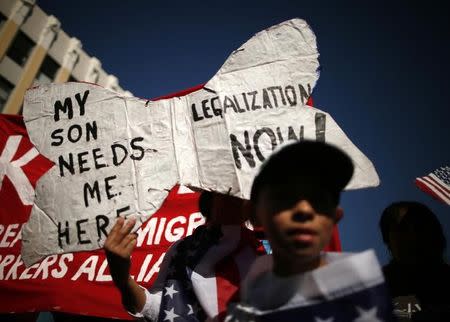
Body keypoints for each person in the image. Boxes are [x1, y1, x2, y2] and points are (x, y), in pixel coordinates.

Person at [226, 140, 395, 321]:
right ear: (254, 213)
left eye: (320, 200)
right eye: (285, 197)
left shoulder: (376, 295)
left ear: (335, 217)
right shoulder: (243, 310)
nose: (305, 210)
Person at [104, 190, 263, 321]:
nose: (235, 198)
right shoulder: (181, 250)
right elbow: (161, 309)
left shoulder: (265, 252)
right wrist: (123, 280)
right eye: (226, 190)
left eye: (242, 193)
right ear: (210, 197)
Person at [379, 201, 450, 321]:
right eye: (402, 228)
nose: (412, 235)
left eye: (419, 227)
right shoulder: (376, 288)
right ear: (388, 240)